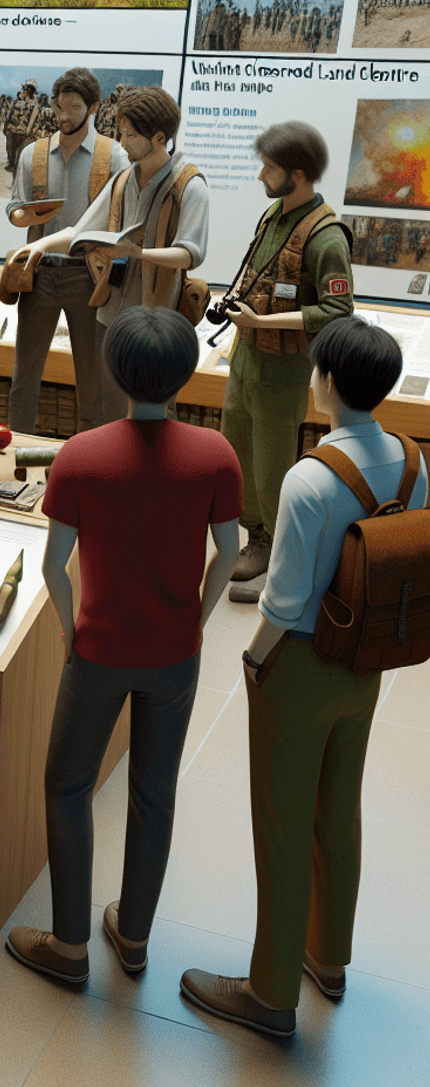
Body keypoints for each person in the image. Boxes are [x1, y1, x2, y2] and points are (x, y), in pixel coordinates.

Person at [181, 316, 428, 1039]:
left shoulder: (310, 477)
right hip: (369, 661)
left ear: (323, 383)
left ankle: (269, 991)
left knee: (281, 823)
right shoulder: (414, 463)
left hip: (303, 663)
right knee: (338, 808)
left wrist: (254, 660)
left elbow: (284, 601)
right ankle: (329, 957)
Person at [6, 306, 241, 986]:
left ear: (114, 370)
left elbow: (53, 566)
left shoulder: (81, 456)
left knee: (67, 784)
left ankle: (70, 946)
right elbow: (230, 550)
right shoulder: (214, 455)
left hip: (99, 649)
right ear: (185, 374)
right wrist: (197, 616)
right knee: (154, 793)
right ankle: (132, 938)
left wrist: (69, 624)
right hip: (175, 652)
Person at [11, 86, 208, 425]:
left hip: (156, 321)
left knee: (153, 413)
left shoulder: (189, 185)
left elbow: (190, 254)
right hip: (110, 312)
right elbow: (81, 230)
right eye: (122, 132)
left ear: (159, 137)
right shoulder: (122, 179)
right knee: (112, 409)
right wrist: (40, 245)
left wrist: (140, 253)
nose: (123, 141)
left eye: (131, 135)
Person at [220, 122, 353, 605]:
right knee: (238, 452)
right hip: (247, 358)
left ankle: (281, 558)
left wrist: (266, 320)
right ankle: (256, 536)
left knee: (274, 465)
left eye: (269, 168)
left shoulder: (326, 236)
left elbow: (339, 310)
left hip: (284, 370)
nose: (260, 175)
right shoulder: (273, 216)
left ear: (298, 173)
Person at [4, 68, 130, 435]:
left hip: (89, 277)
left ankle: (94, 465)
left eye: (74, 107)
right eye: (60, 106)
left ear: (93, 106)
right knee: (22, 380)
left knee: (93, 386)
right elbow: (15, 206)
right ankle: (14, 462)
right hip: (39, 274)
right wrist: (21, 215)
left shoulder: (115, 156)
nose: (63, 115)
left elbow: (121, 223)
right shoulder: (33, 154)